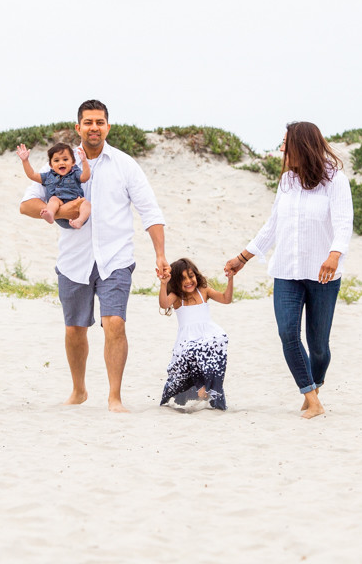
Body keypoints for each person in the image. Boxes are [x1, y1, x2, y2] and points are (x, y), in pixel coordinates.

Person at [20, 99, 169, 412]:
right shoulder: (59, 162)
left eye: (99, 122)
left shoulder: (125, 165)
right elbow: (26, 204)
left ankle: (114, 397)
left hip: (116, 258)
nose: (94, 127)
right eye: (88, 122)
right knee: (75, 329)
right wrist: (55, 210)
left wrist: (160, 254)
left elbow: (149, 210)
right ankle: (79, 391)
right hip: (74, 259)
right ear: (78, 128)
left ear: (108, 127)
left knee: (115, 323)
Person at [224, 121, 353, 419]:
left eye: (286, 143)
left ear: (302, 146)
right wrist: (243, 257)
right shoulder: (287, 182)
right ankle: (312, 398)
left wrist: (334, 255)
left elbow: (344, 223)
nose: (281, 148)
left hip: (323, 275)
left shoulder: (335, 181)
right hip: (286, 271)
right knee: (287, 333)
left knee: (319, 346)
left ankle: (315, 386)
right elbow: (273, 225)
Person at [158, 258, 233, 411]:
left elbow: (226, 299)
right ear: (176, 282)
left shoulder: (203, 291)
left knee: (220, 341)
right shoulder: (177, 296)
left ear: (196, 275)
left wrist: (230, 279)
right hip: (187, 339)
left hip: (207, 335)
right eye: (183, 278)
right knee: (190, 354)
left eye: (191, 276)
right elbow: (164, 304)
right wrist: (164, 283)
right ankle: (199, 387)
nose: (188, 281)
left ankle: (210, 391)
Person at [17, 142, 92, 228]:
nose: (61, 163)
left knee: (86, 203)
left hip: (77, 211)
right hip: (59, 214)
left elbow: (85, 177)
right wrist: (25, 161)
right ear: (51, 165)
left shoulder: (75, 172)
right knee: (53, 199)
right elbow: (32, 175)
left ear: (73, 162)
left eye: (65, 159)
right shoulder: (48, 176)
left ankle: (80, 221)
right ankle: (50, 214)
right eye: (56, 160)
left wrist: (84, 161)